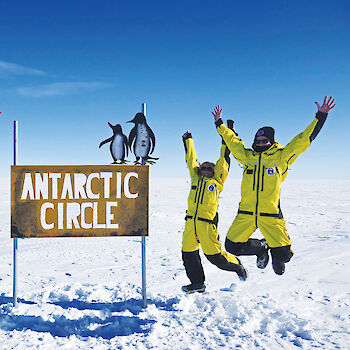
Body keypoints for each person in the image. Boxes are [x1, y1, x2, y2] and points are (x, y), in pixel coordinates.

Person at [212, 96, 336, 275]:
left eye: (264, 141)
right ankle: (261, 247)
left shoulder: (281, 157)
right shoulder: (248, 157)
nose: (261, 144)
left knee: (285, 255)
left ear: (271, 141)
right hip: (246, 213)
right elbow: (232, 141)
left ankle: (277, 256)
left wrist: (321, 116)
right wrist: (220, 123)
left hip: (270, 214)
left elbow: (303, 140)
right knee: (232, 246)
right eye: (258, 141)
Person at [181, 126, 248, 294]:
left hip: (207, 225)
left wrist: (226, 138)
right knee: (188, 254)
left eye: (209, 169)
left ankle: (237, 266)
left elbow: (223, 160)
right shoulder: (195, 179)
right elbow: (191, 160)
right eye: (203, 168)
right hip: (191, 223)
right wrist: (188, 139)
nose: (205, 171)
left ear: (214, 172)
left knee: (215, 257)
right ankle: (197, 283)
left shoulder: (217, 183)